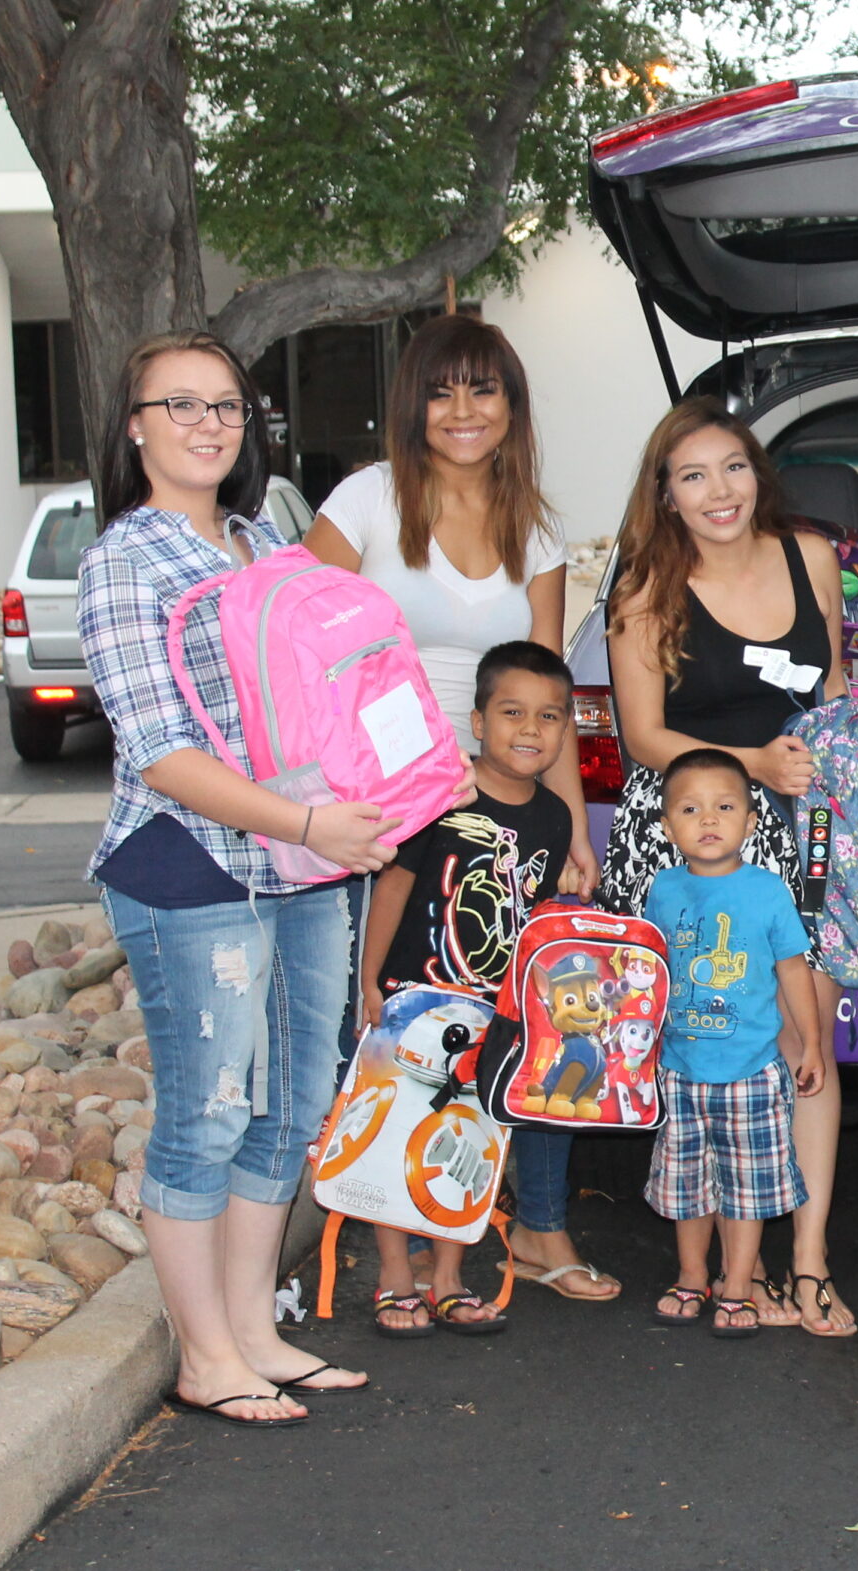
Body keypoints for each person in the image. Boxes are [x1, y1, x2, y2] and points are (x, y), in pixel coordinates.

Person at [78, 331, 424, 1424]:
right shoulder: (123, 561)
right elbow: (163, 752)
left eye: (225, 405)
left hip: (304, 858)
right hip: (191, 865)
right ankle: (203, 1356)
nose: (207, 423)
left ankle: (254, 1333)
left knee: (291, 1105)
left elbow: (315, 700)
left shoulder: (257, 536)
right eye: (179, 405)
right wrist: (309, 819)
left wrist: (388, 781)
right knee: (210, 1110)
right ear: (134, 425)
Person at [303, 317, 616, 1307]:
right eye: (441, 392)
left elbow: (547, 689)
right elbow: (297, 648)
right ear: (413, 405)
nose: (462, 411)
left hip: (502, 803)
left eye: (483, 391)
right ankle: (380, 1224)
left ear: (511, 408)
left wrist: (570, 833)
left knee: (512, 1021)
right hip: (377, 800)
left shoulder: (537, 524)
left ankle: (506, 1222)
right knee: (386, 1020)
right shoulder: (361, 501)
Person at [597, 398, 855, 1336]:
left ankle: (809, 1260)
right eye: (693, 475)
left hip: (801, 830)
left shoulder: (811, 559)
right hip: (688, 835)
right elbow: (642, 736)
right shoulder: (644, 589)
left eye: (733, 467)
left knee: (804, 1038)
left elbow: (832, 692)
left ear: (759, 473)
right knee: (706, 1040)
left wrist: (837, 772)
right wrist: (753, 765)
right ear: (665, 495)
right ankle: (708, 1257)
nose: (719, 492)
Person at [353, 642, 581, 1336]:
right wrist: (370, 978)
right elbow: (392, 884)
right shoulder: (442, 794)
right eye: (512, 712)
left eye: (549, 716)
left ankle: (450, 1277)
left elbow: (536, 921)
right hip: (413, 996)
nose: (530, 729)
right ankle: (397, 1274)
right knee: (396, 1128)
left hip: (495, 1011)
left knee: (471, 1140)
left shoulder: (554, 818)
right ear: (477, 720)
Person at [637, 749, 825, 1337]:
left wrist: (812, 1045)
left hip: (752, 1071)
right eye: (691, 809)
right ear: (668, 828)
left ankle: (738, 1285)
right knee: (685, 1184)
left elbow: (795, 971)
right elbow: (650, 973)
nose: (709, 820)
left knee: (748, 1187)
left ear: (750, 821)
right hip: (679, 1068)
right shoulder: (662, 891)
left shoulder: (767, 891)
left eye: (724, 807)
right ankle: (692, 1274)